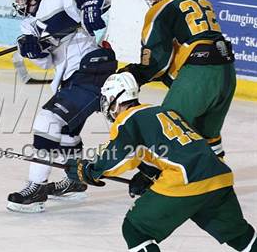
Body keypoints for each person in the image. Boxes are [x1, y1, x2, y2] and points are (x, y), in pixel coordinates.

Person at [65, 72, 256, 251]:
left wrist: (89, 171)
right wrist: (149, 175)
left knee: (135, 229)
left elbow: (117, 156)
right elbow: (173, 151)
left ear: (116, 99)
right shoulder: (162, 111)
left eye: (107, 100)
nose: (106, 105)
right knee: (239, 236)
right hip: (218, 174)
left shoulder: (127, 120)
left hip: (185, 179)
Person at [7, 0, 117, 213]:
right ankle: (75, 181)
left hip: (92, 69)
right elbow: (47, 63)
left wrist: (92, 5)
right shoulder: (29, 26)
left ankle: (36, 188)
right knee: (67, 132)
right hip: (72, 77)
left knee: (47, 120)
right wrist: (33, 50)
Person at [118, 0, 236, 158]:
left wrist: (136, 74)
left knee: (168, 130)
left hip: (200, 75)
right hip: (227, 73)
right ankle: (215, 181)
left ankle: (157, 181)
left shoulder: (161, 8)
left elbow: (157, 60)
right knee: (209, 137)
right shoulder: (202, 1)